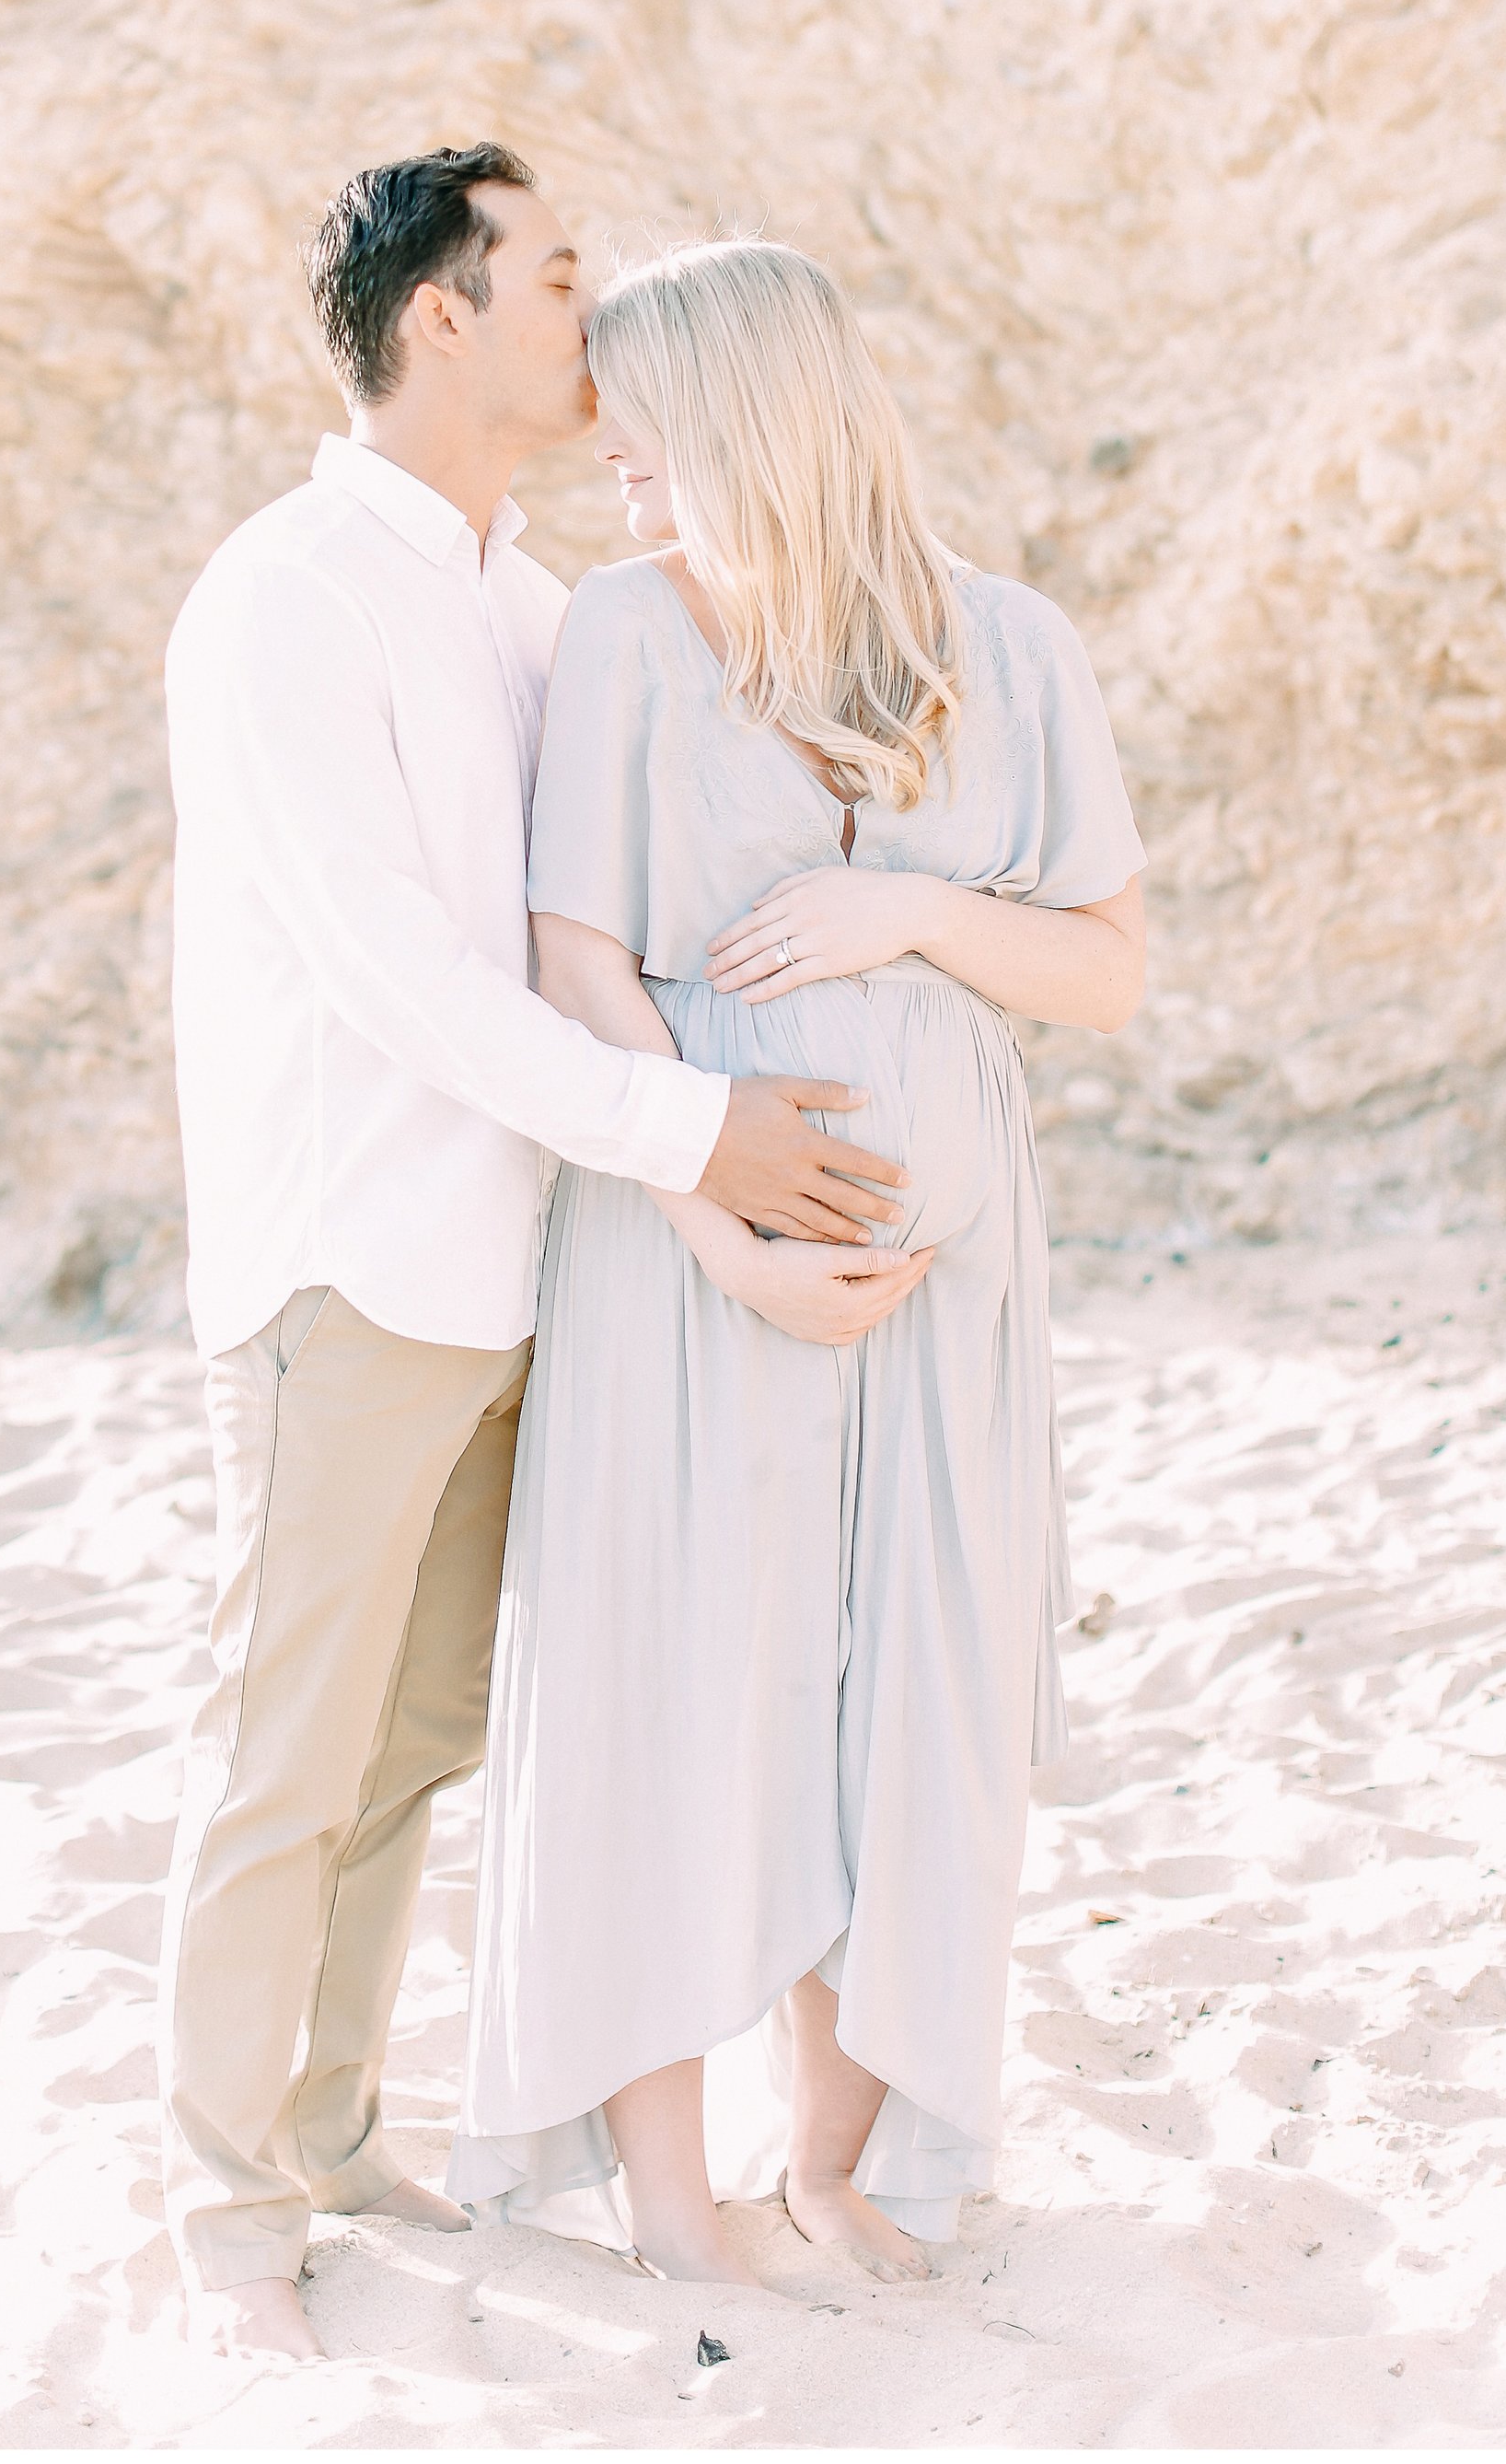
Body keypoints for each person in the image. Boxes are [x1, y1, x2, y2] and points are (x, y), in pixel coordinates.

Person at [156, 149, 931, 2365]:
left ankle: (323, 2132)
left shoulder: (521, 599)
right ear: (439, 319)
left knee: (406, 1749)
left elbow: (582, 933)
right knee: (281, 1749)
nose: (597, 326)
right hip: (348, 1263)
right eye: (559, 283)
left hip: (519, 1268)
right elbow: (406, 980)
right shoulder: (289, 591)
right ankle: (224, 2208)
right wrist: (702, 1134)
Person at [450, 237, 1148, 2286]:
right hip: (687, 1258)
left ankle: (840, 2156)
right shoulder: (622, 633)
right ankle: (672, 2195)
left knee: (900, 1678)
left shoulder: (1007, 643)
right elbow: (575, 948)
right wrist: (708, 1223)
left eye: (646, 425)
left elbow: (1101, 970)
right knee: (679, 1670)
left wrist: (904, 917)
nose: (617, 464)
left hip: (943, 1288)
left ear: (745, 412)